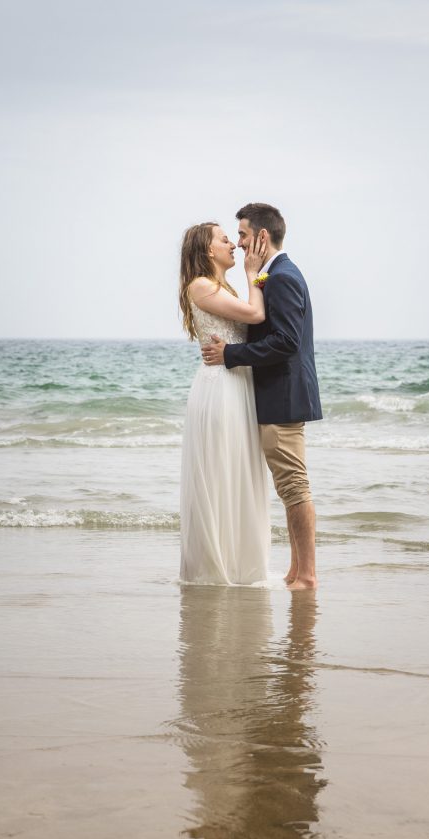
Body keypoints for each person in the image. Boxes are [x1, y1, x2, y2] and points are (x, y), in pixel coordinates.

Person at [202, 203, 322, 590]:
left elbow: (285, 343)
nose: (238, 243)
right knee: (288, 487)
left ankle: (307, 574)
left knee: (294, 486)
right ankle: (295, 570)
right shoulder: (273, 275)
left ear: (261, 237)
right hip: (275, 397)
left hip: (283, 398)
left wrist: (230, 355)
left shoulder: (282, 278)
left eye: (242, 234)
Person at [178, 222, 270, 585]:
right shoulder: (200, 286)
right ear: (206, 250)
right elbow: (254, 314)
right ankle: (215, 567)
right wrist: (255, 275)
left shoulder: (222, 286)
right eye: (224, 239)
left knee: (238, 471)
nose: (232, 243)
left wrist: (254, 277)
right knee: (221, 472)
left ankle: (239, 562)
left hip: (238, 384)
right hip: (219, 390)